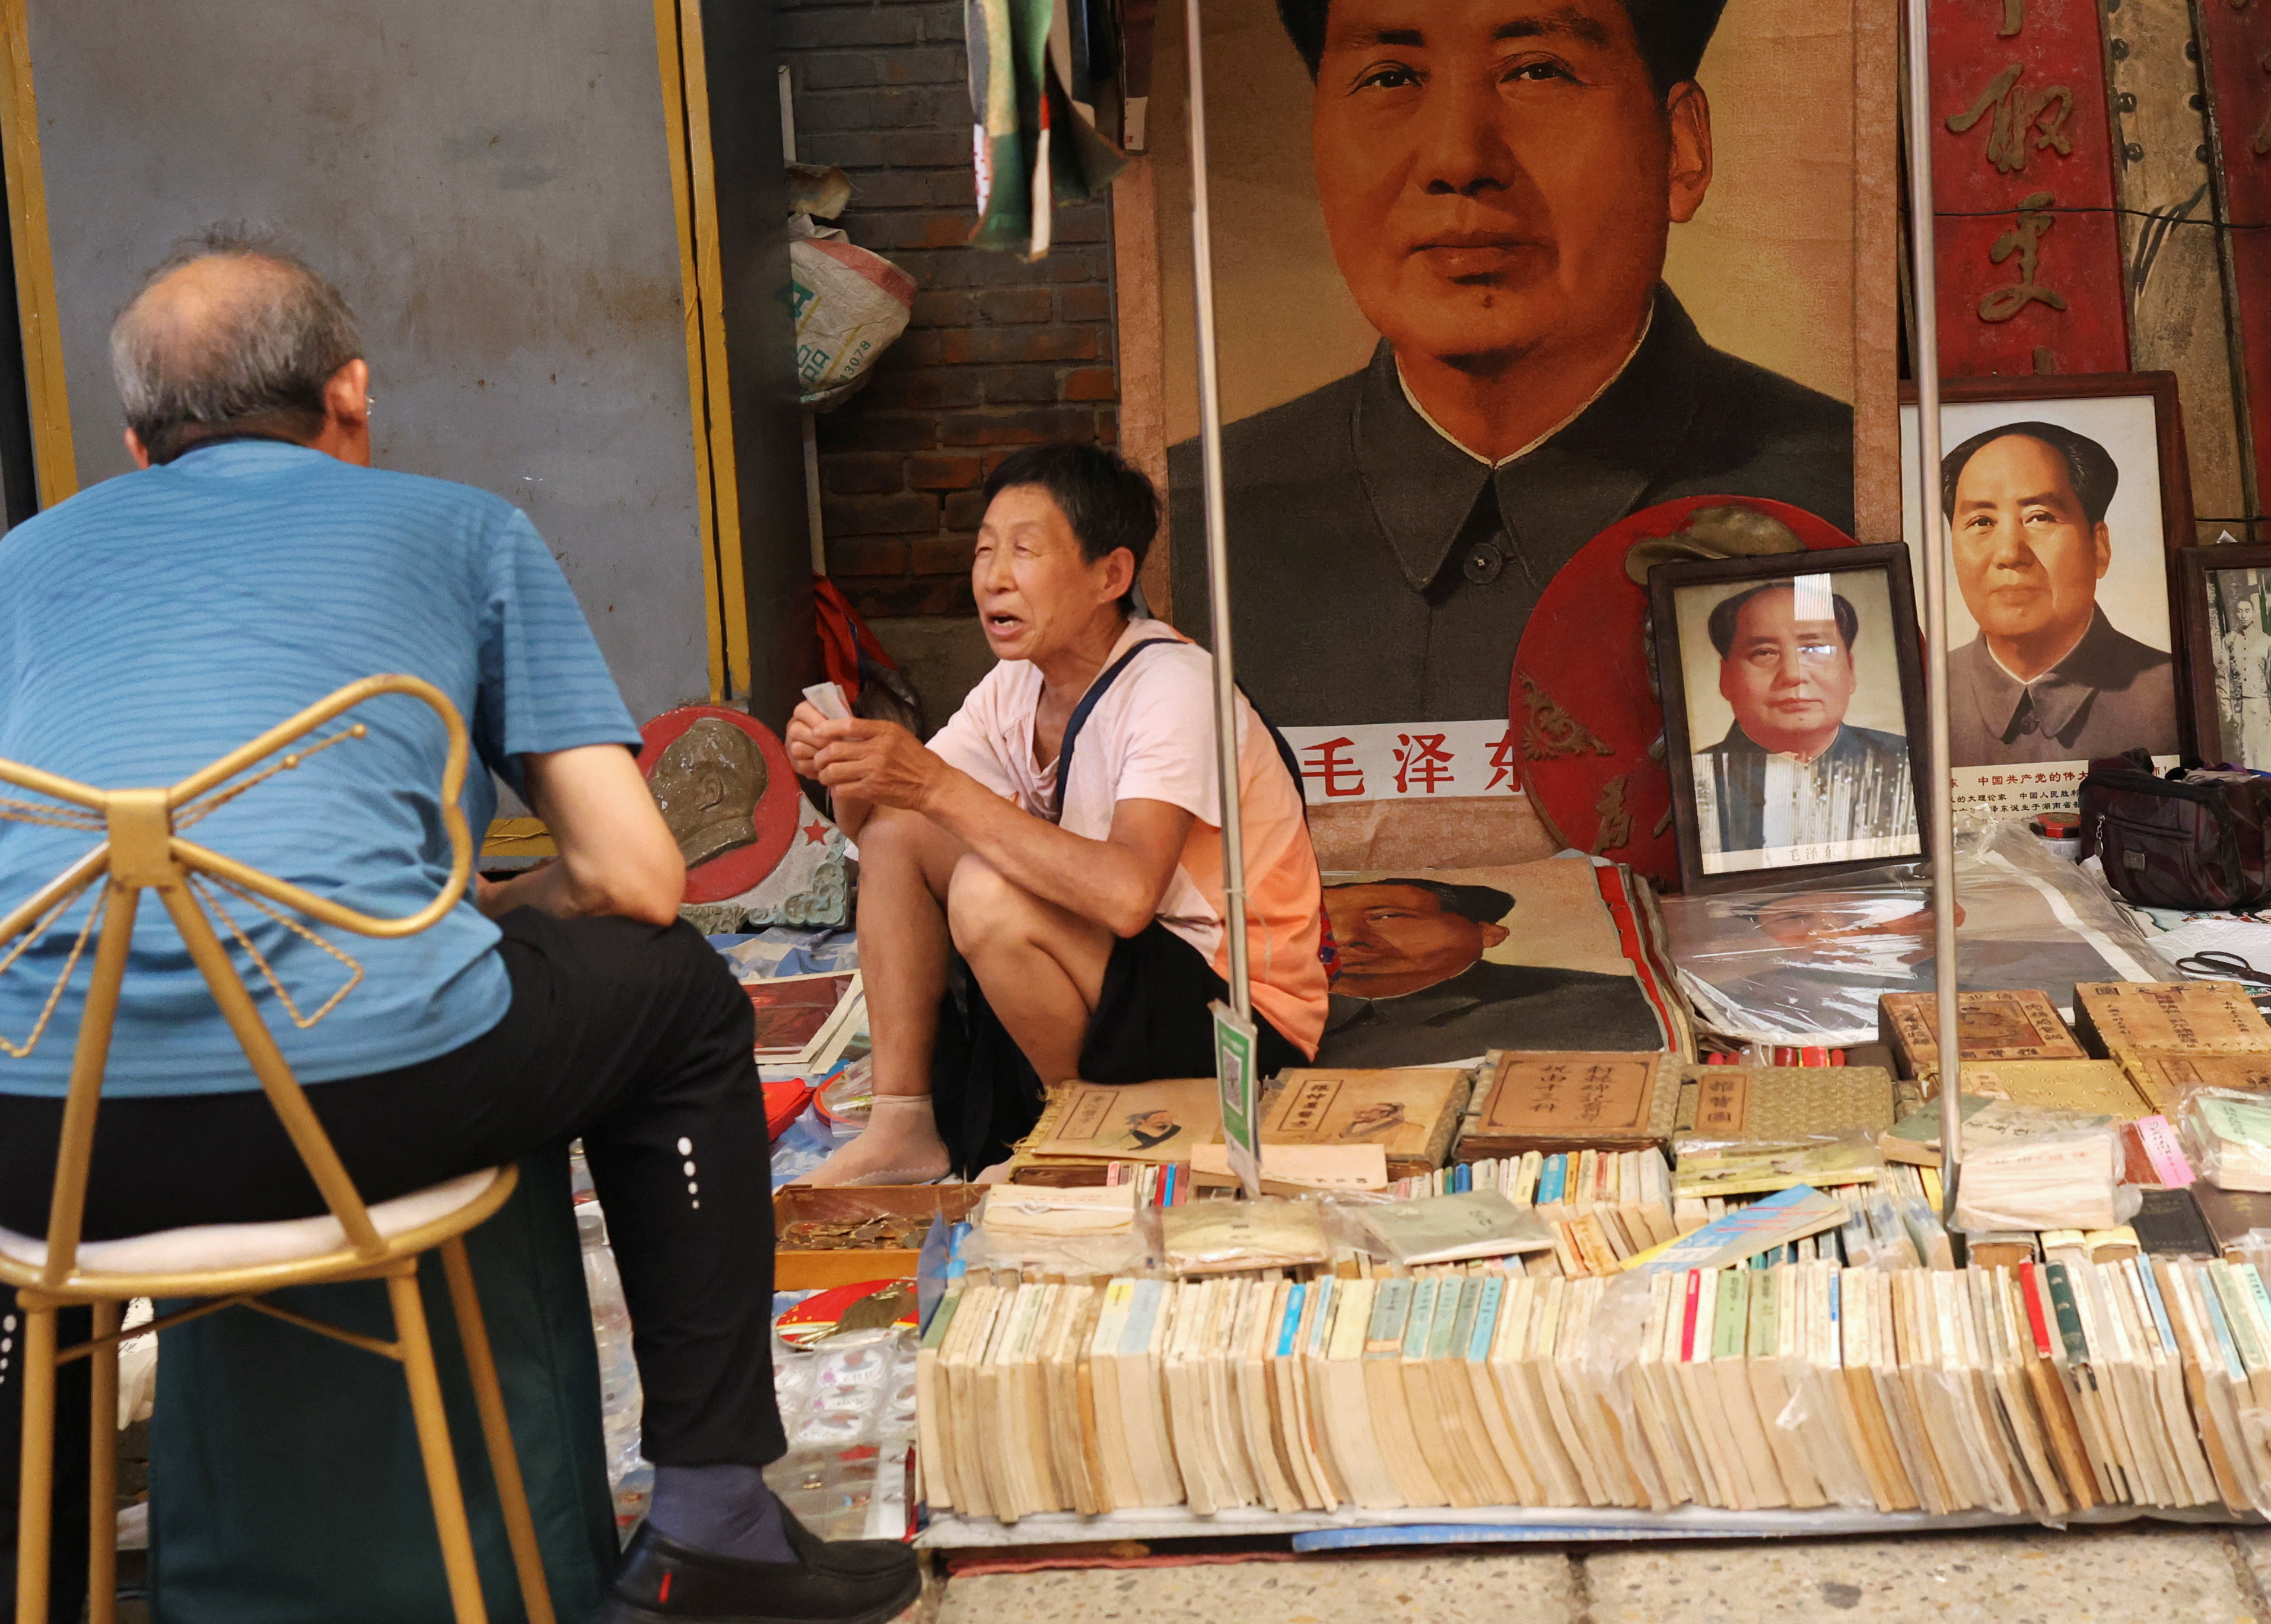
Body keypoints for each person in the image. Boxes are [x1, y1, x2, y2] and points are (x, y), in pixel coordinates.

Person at [0, 237, 917, 1624]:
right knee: (677, 1001)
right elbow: (638, 876)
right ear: (350, 393)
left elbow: (16, 898)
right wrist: (493, 903)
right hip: (356, 1102)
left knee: (45, 1056)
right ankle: (714, 1520)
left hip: (10, 1119)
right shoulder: (462, 531)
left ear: (133, 442)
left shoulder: (23, 561)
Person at [1166, 0, 1855, 727]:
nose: (1459, 158)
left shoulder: (1839, 489)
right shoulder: (1196, 525)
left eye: (1536, 70)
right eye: (1390, 77)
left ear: (1681, 148)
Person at [790, 442, 1328, 1182]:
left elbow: (1128, 896)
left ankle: (1078, 1140)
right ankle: (902, 1124)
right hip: (1113, 974)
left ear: (1111, 575)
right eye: (984, 551)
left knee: (986, 894)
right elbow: (883, 836)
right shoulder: (1014, 685)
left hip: (1236, 1011)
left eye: (1024, 551)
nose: (993, 578)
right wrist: (843, 762)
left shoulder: (1171, 687)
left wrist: (929, 784)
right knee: (901, 829)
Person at [1935, 420, 2178, 774]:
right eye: (1982, 522)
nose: (2009, 553)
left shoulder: (2177, 693)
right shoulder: (1921, 698)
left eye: (2040, 517)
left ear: (2099, 547)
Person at [1690, 578, 1921, 865]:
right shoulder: (1697, 782)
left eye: (1815, 649)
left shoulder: (1910, 761)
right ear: (1726, 678)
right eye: (1764, 653)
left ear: (1850, 669)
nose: (1793, 674)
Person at [1308, 876, 1663, 1062]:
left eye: (1388, 917)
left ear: (1487, 932)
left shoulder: (1605, 1003)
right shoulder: (1269, 1019)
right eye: (1318, 921)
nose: (1341, 937)